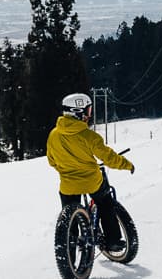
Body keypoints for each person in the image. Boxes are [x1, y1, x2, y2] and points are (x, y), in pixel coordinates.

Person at [46, 92, 134, 251]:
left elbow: (52, 161)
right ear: (78, 112)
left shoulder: (53, 135)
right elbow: (108, 158)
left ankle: (69, 248)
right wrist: (126, 164)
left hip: (67, 185)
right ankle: (113, 240)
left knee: (69, 216)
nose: (89, 114)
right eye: (88, 110)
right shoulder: (89, 136)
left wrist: (66, 169)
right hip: (92, 182)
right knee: (106, 204)